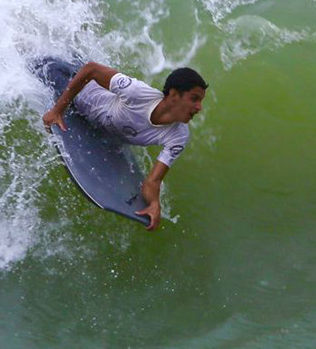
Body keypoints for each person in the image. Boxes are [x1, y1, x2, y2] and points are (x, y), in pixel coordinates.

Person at [42, 62, 207, 231]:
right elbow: (91, 69)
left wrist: (154, 203)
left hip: (100, 127)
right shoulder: (138, 93)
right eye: (194, 99)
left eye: (200, 101)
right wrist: (57, 111)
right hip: (74, 90)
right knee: (39, 66)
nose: (199, 107)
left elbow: (153, 180)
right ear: (173, 94)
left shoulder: (178, 135)